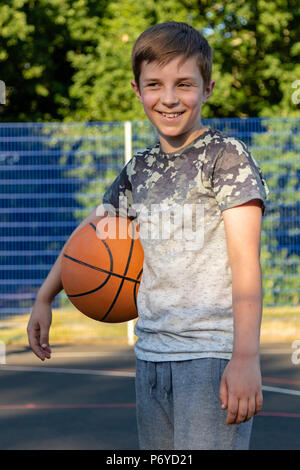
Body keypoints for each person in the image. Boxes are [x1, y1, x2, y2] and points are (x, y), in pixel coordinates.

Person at [27, 21, 270, 450]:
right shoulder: (140, 168)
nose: (170, 97)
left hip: (210, 355)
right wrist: (45, 297)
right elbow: (92, 228)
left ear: (208, 88)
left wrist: (246, 357)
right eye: (155, 84)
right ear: (138, 91)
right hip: (152, 354)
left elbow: (245, 262)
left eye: (184, 84)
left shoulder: (225, 156)